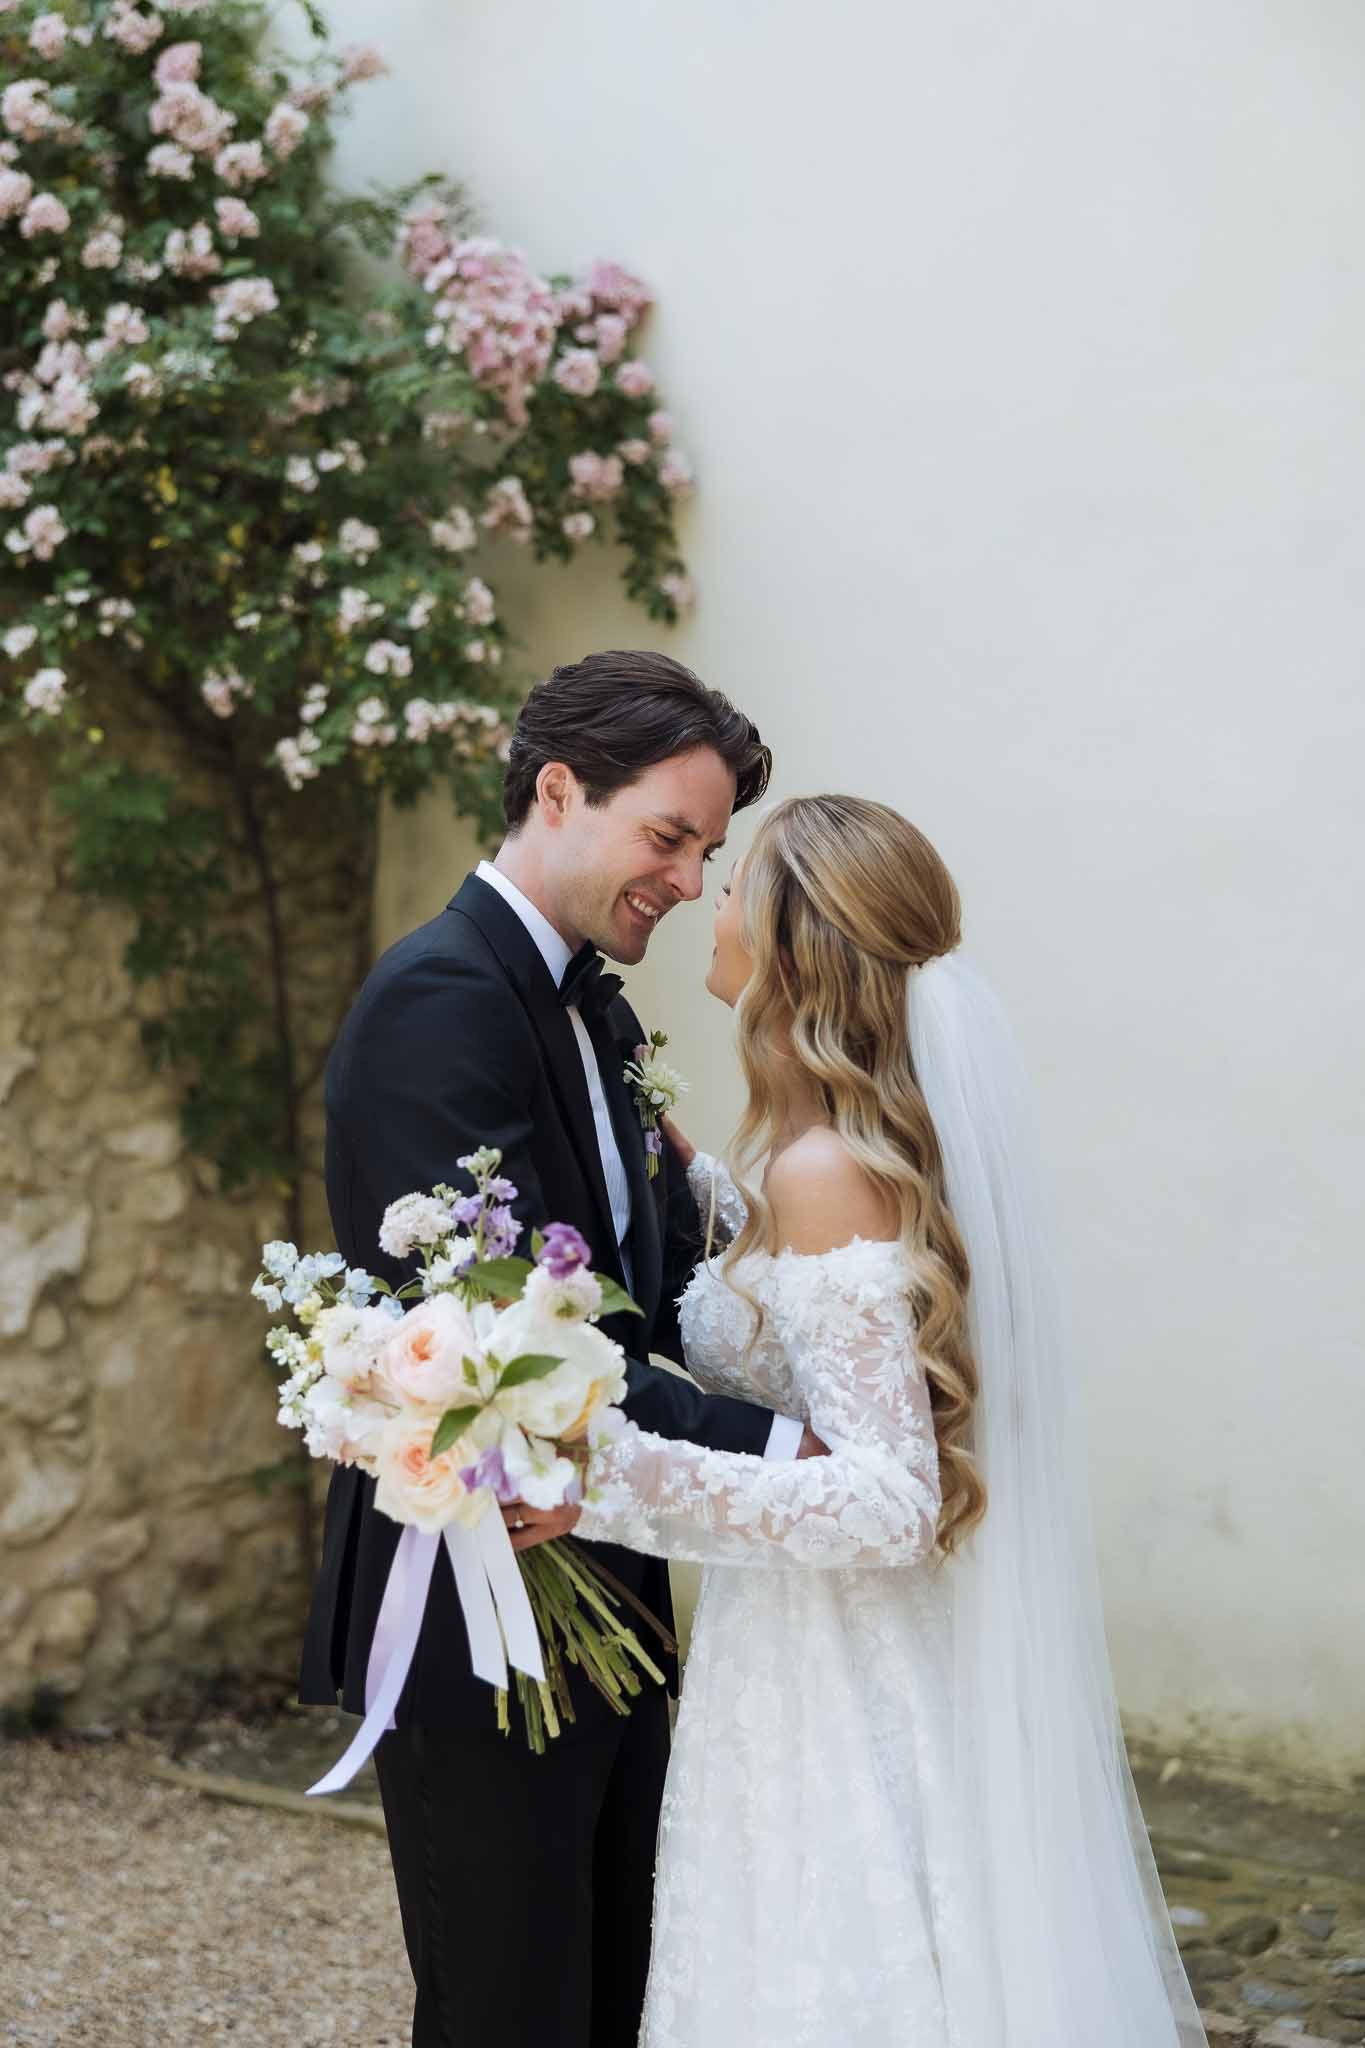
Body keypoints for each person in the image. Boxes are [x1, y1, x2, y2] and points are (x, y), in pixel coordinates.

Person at [564, 793, 1208, 2048]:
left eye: (736, 879)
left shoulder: (828, 1172)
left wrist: (606, 1476)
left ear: (795, 943)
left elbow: (891, 1497)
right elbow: (804, 1318)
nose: (711, 894)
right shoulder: (837, 1151)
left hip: (831, 1675)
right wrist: (680, 1165)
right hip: (820, 1646)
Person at [297, 651, 821, 2048]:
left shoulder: (586, 1002)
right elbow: (511, 1344)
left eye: (708, 851)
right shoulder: (441, 1001)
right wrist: (791, 1455)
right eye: (669, 835)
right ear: (557, 789)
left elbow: (634, 1288)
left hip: (613, 1558)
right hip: (480, 1582)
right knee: (509, 1998)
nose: (690, 877)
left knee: (617, 1978)